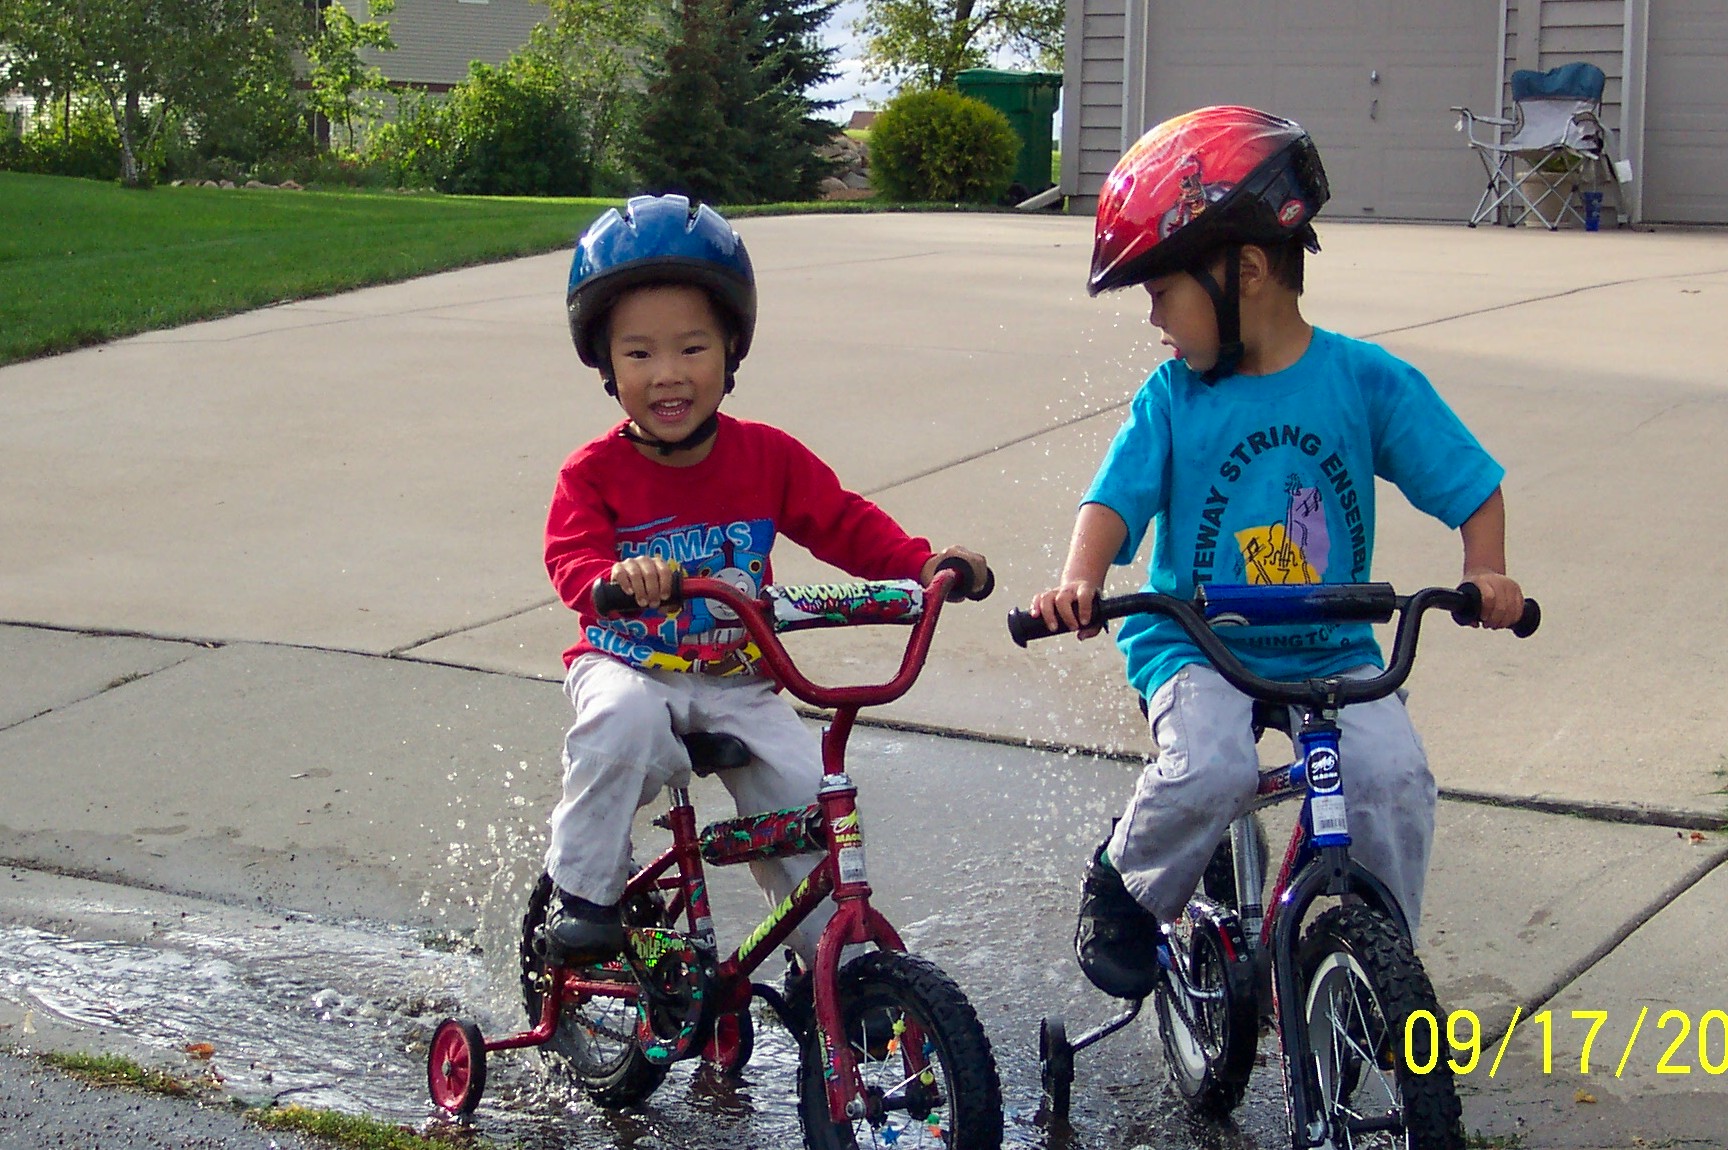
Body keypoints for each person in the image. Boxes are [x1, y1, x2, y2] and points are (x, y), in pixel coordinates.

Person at [1028, 106, 1526, 1000]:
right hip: (1196, 639)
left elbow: (1468, 480)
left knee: (1396, 779)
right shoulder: (1173, 397)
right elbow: (1112, 500)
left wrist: (1484, 569)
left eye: (1162, 291)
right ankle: (1125, 887)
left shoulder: (1363, 380)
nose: (1154, 319)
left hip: (1330, 645)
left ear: (1245, 270)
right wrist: (1079, 582)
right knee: (1211, 768)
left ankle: (1378, 960)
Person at [542, 193, 988, 966]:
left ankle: (839, 969)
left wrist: (922, 566)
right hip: (627, 664)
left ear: (731, 352)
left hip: (739, 677)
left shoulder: (766, 457)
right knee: (620, 726)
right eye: (639, 354)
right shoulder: (593, 473)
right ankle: (582, 893)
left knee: (808, 791)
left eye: (692, 348)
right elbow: (571, 562)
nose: (668, 374)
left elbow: (843, 521)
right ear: (606, 366)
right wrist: (617, 578)